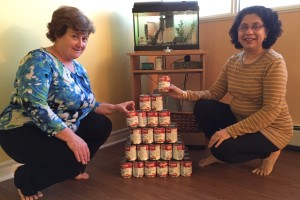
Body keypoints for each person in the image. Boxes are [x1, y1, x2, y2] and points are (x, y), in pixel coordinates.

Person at [0, 6, 135, 200]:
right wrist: (72, 138)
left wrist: (115, 107)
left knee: (101, 124)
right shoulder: (38, 60)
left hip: (57, 127)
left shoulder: (78, 68)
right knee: (69, 160)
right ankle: (25, 180)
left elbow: (86, 104)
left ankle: (73, 167)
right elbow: (35, 106)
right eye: (75, 36)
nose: (81, 43)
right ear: (58, 33)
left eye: (85, 38)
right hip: (23, 129)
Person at [167, 6, 293, 176]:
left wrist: (228, 132)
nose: (249, 31)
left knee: (224, 150)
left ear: (267, 31)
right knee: (203, 106)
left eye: (256, 26)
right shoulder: (233, 61)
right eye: (243, 27)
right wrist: (184, 94)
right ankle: (220, 151)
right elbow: (214, 93)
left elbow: (270, 111)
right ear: (237, 32)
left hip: (272, 129)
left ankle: (270, 152)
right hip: (242, 118)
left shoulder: (274, 62)